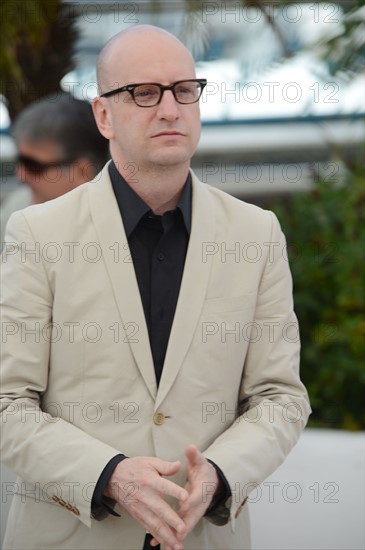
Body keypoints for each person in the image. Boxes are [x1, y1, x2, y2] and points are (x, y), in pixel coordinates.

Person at [1, 25, 311, 550]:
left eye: (184, 90)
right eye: (144, 93)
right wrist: (108, 476)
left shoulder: (256, 234)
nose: (169, 109)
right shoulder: (37, 234)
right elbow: (8, 401)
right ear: (104, 115)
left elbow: (280, 397)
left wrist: (218, 475)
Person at [0, 93, 109, 244]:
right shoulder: (18, 206)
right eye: (20, 160)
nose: (20, 174)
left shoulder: (119, 227)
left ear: (82, 171)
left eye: (33, 165)